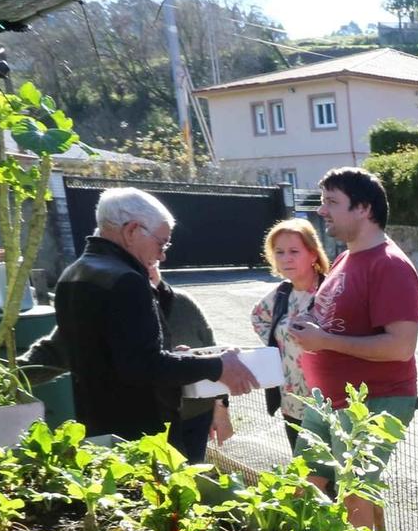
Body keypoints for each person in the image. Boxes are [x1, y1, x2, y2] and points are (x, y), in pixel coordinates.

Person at [54, 188, 256, 440]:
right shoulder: (126, 279)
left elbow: (106, 352)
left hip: (94, 425)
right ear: (131, 231)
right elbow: (144, 365)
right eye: (161, 242)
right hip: (138, 432)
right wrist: (216, 365)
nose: (162, 254)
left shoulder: (74, 274)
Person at [287, 167, 418, 530]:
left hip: (372, 402)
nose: (321, 210)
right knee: (303, 485)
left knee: (355, 494)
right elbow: (331, 315)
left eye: (332, 202)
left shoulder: (390, 266)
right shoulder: (346, 259)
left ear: (363, 208)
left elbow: (401, 347)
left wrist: (325, 341)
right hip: (327, 399)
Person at [250, 218, 330, 455]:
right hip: (291, 403)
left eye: (294, 251)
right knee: (305, 474)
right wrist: (280, 347)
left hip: (326, 405)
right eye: (280, 252)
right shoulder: (282, 294)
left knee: (334, 479)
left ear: (313, 254)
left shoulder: (330, 292)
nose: (286, 258)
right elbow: (258, 317)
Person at [149, 264, 233, 462]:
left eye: (152, 263)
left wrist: (221, 409)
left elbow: (212, 351)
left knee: (194, 478)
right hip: (155, 423)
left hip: (197, 414)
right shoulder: (125, 308)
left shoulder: (183, 302)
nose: (149, 268)